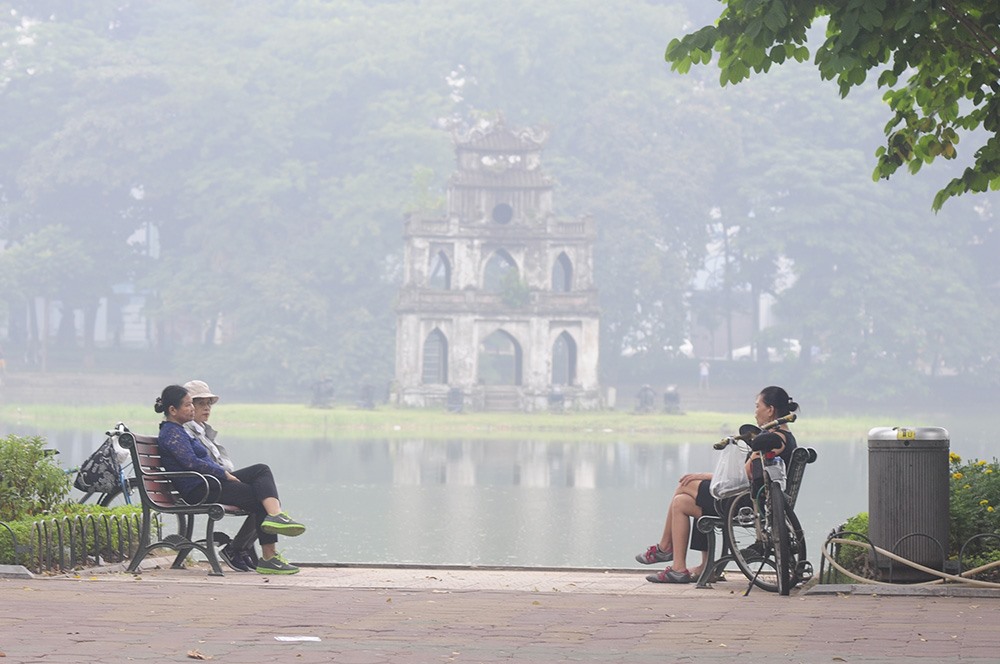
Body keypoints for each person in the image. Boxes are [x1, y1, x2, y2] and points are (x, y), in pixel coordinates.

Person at [634, 385, 799, 583]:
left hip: (745, 504)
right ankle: (682, 568)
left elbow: (742, 475)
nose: (755, 413)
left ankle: (665, 548)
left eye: (757, 407)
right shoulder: (784, 437)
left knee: (686, 485)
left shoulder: (772, 439)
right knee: (681, 502)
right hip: (751, 501)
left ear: (770, 410)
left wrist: (703, 475)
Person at [154, 384, 306, 575]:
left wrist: (220, 473)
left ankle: (276, 517)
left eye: (192, 404)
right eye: (187, 405)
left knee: (261, 471)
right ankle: (268, 556)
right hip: (200, 489)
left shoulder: (179, 430)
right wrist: (223, 473)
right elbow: (191, 462)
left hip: (209, 483)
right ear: (172, 410)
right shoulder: (171, 433)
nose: (192, 408)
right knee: (261, 499)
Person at [182, 379, 257, 572]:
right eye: (200, 404)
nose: (206, 408)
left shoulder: (204, 431)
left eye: (209, 404)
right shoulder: (186, 431)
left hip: (218, 480)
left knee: (264, 484)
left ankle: (242, 549)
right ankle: (242, 549)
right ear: (188, 406)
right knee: (263, 497)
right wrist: (223, 474)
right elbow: (198, 463)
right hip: (207, 485)